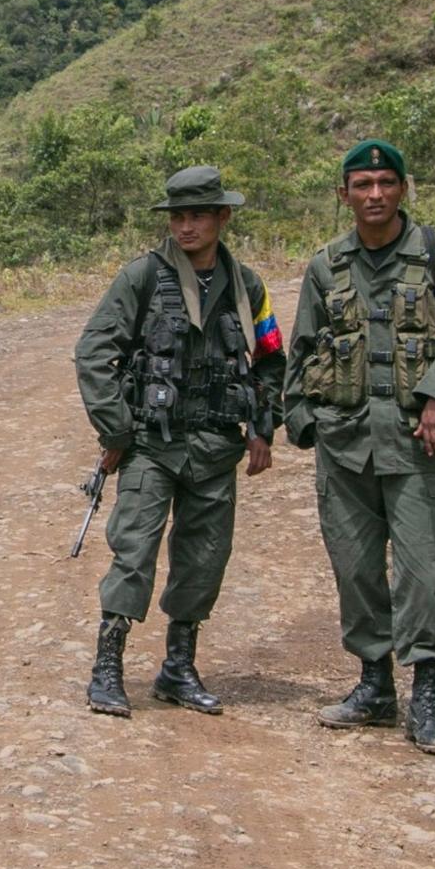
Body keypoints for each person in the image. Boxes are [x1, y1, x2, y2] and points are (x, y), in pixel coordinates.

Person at [284, 138, 435, 754]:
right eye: (361, 184)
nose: (374, 194)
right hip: (345, 447)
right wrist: (302, 421)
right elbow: (300, 350)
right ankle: (374, 686)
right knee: (354, 570)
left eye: (385, 183)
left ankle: (426, 698)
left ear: (402, 188)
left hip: (417, 446)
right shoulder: (325, 266)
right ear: (344, 194)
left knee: (424, 573)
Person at [73, 165, 284, 717]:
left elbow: (272, 359)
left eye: (197, 216)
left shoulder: (248, 286)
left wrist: (263, 427)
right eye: (177, 217)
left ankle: (178, 668)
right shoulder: (142, 276)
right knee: (134, 551)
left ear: (223, 217)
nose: (186, 227)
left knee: (205, 559)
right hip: (151, 442)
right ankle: (108, 668)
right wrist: (117, 429)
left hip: (215, 445)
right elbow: (94, 351)